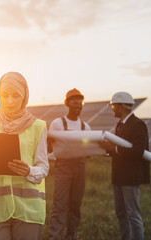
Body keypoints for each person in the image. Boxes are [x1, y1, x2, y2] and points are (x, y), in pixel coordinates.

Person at [0, 72, 49, 240]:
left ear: (24, 97)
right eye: (4, 95)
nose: (9, 101)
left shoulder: (38, 127)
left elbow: (43, 167)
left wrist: (28, 170)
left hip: (29, 209)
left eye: (16, 96)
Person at [99, 92, 150, 240]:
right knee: (121, 214)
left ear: (122, 107)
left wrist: (113, 149)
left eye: (114, 106)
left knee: (133, 215)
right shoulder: (120, 125)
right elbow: (119, 150)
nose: (112, 109)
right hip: (118, 177)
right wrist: (107, 150)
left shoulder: (138, 125)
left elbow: (138, 151)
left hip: (130, 177)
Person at [48, 88, 91, 240]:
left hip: (80, 167)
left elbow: (88, 150)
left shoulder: (85, 127)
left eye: (80, 102)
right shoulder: (57, 124)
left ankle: (71, 236)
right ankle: (54, 237)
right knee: (60, 204)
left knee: (75, 205)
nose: (78, 105)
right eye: (74, 102)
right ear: (67, 103)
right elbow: (49, 146)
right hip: (63, 167)